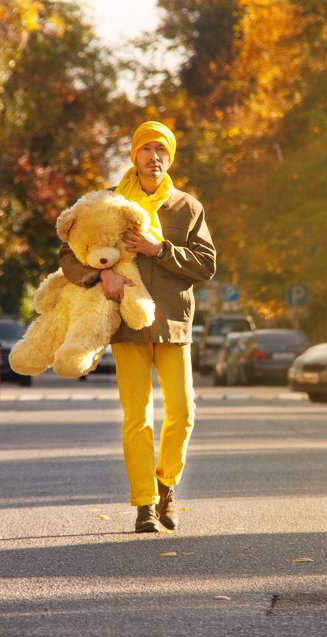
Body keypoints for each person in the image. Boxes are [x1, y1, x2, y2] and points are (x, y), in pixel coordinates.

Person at [59, 121, 216, 533]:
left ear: (170, 158)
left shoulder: (187, 208)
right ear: (134, 155)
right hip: (127, 325)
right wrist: (101, 275)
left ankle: (166, 486)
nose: (154, 157)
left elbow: (206, 265)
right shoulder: (107, 202)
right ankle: (145, 504)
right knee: (137, 417)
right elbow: (69, 255)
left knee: (182, 412)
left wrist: (159, 249)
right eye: (147, 149)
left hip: (174, 323)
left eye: (161, 150)